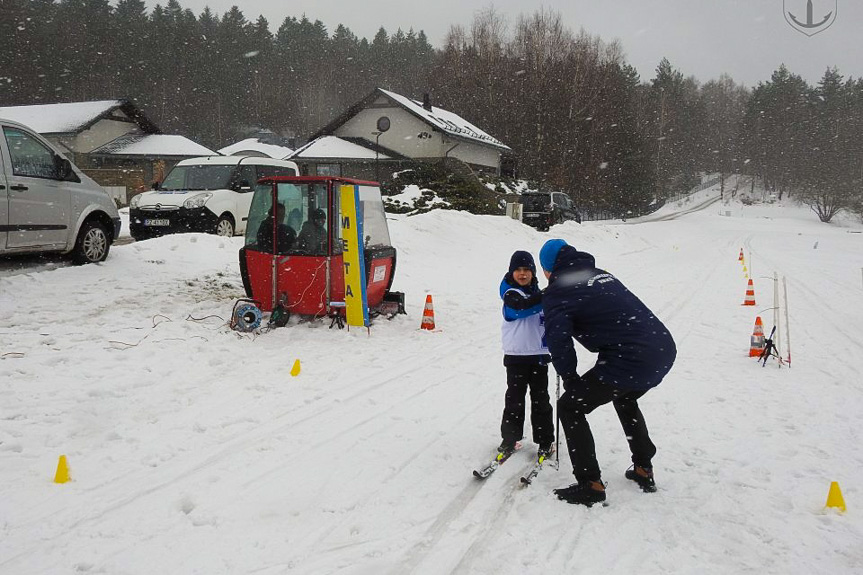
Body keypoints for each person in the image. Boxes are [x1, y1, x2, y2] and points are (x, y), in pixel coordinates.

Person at [538, 239, 676, 506]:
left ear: (548, 268)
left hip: (630, 357)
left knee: (571, 406)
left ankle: (590, 484)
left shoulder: (558, 290)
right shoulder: (600, 274)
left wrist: (569, 377)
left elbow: (558, 338)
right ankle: (643, 468)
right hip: (662, 349)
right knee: (625, 396)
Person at [497, 250, 555, 461]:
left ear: (532, 272)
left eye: (526, 270)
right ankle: (510, 438)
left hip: (538, 355)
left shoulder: (537, 293)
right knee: (514, 399)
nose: (522, 274)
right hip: (516, 356)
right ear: (511, 272)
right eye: (518, 270)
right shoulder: (510, 294)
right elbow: (521, 309)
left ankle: (545, 440)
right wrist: (551, 293)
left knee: (541, 399)